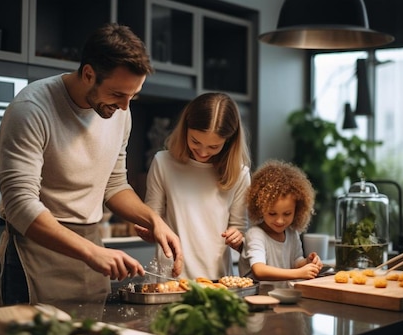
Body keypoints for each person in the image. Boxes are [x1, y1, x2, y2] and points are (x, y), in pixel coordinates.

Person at [0, 23, 183, 306]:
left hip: (92, 248)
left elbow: (114, 184)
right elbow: (21, 205)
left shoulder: (120, 112)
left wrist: (154, 220)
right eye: (118, 94)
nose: (125, 106)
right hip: (37, 251)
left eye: (134, 96)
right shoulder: (31, 109)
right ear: (88, 74)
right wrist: (91, 252)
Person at [136, 92, 251, 279]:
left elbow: (239, 230)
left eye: (214, 146)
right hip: (169, 278)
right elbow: (153, 219)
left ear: (229, 141)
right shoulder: (163, 163)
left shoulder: (239, 174)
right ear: (185, 129)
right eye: (196, 142)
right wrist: (149, 231)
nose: (203, 152)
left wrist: (237, 238)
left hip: (217, 281)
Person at [239, 159, 322, 289]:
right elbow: (259, 270)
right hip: (256, 299)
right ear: (260, 208)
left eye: (287, 214)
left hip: (281, 298)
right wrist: (299, 273)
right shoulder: (256, 235)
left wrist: (307, 262)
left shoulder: (292, 233)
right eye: (272, 214)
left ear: (298, 210)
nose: (280, 221)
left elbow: (296, 261)